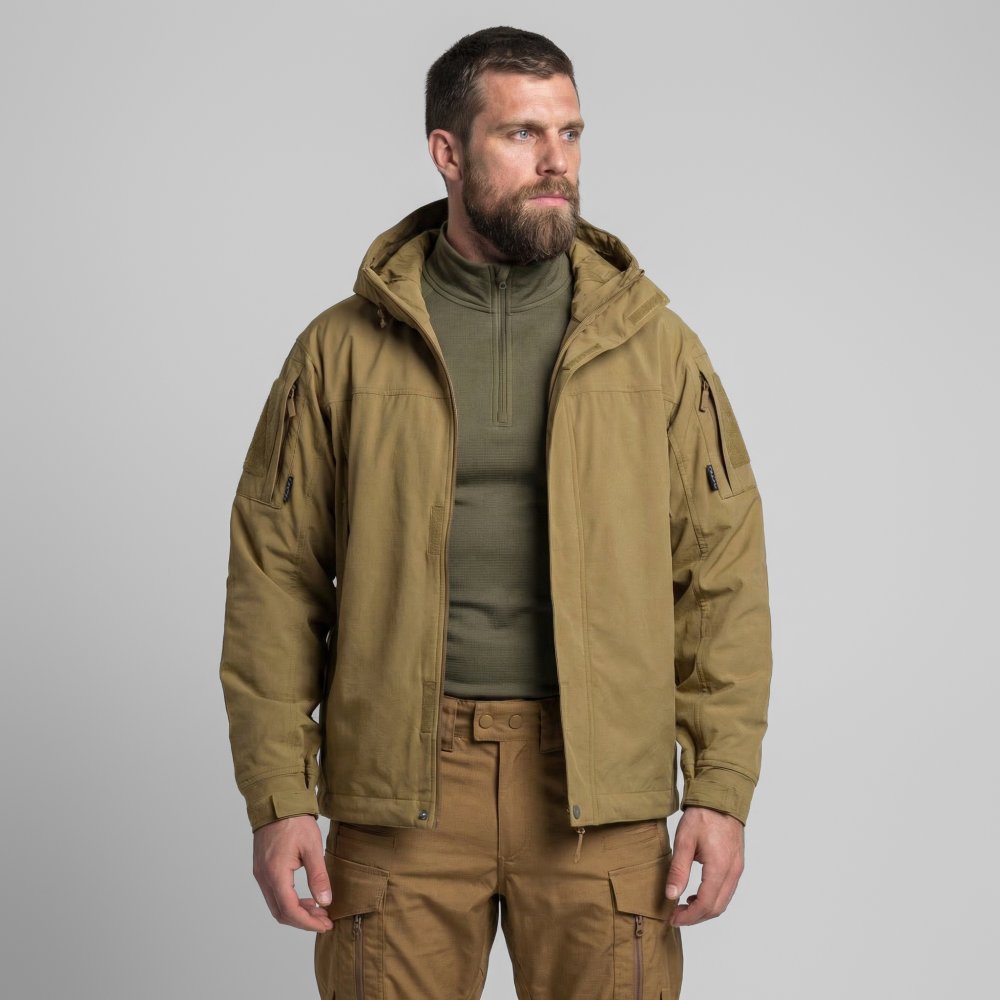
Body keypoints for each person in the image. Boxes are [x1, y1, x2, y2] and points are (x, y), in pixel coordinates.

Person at [219, 25, 772, 1000]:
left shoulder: (655, 349)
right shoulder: (341, 351)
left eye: (570, 132)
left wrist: (720, 791)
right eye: (522, 134)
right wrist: (278, 796)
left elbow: (721, 577)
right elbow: (275, 579)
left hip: (602, 789)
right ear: (448, 152)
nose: (557, 160)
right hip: (401, 787)